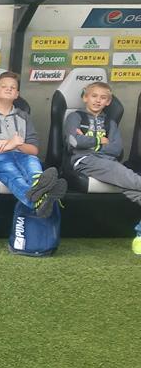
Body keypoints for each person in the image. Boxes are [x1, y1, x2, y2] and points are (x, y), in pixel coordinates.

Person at [0, 71, 65, 218]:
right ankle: (40, 201)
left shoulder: (24, 117)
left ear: (17, 94)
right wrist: (7, 145)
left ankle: (40, 197)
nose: (9, 89)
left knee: (35, 171)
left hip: (23, 155)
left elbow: (33, 150)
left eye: (13, 87)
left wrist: (16, 145)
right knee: (14, 175)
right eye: (4, 86)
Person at [64, 81, 141, 254]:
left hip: (108, 162)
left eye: (103, 98)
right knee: (126, 174)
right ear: (85, 97)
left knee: (135, 190)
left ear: (108, 101)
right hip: (84, 160)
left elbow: (116, 149)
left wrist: (89, 142)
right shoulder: (75, 117)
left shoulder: (110, 122)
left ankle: (140, 236)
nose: (98, 100)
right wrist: (100, 141)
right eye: (94, 96)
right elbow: (74, 142)